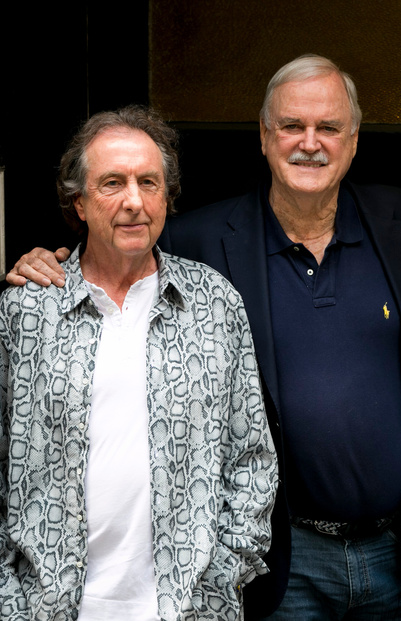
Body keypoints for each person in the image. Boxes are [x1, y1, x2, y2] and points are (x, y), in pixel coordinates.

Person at [6, 54, 401, 619]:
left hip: (398, 550)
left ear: (353, 142)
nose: (309, 143)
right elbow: (118, 252)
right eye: (292, 126)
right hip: (287, 561)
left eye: (328, 127)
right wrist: (51, 263)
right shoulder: (197, 242)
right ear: (265, 138)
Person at [0, 106, 276, 620]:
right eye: (112, 183)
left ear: (167, 197)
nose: (134, 201)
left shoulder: (213, 303)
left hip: (189, 607)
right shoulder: (26, 311)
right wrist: (11, 597)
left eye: (148, 182)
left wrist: (221, 576)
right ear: (78, 202)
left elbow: (252, 457)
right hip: (51, 608)